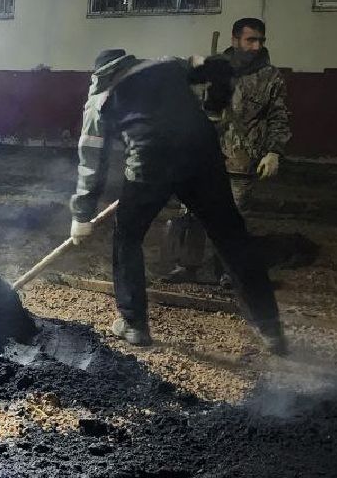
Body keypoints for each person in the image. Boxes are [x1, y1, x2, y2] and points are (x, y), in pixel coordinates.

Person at [69, 48, 287, 354]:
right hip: (201, 156)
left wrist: (82, 214)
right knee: (232, 238)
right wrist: (215, 107)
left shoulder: (99, 101)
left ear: (100, 76)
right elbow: (220, 66)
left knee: (127, 238)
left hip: (149, 166)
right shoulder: (167, 66)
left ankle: (134, 326)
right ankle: (271, 328)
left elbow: (92, 160)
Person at [167, 17, 292, 283]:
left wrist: (274, 152)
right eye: (250, 40)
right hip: (202, 157)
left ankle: (228, 272)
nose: (256, 46)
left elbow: (279, 117)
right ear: (235, 40)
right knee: (191, 213)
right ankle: (186, 266)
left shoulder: (270, 77)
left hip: (241, 160)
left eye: (260, 40)